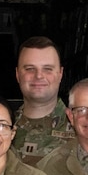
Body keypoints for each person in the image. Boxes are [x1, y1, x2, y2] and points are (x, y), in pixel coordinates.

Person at [12, 36, 75, 166]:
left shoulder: (83, 127)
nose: (39, 75)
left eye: (47, 69)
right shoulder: (1, 129)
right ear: (18, 74)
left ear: (60, 74)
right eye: (30, 69)